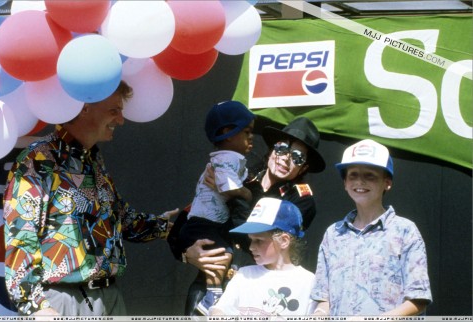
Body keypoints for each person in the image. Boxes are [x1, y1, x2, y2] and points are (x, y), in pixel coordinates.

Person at [3, 80, 178, 316]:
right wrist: (37, 308)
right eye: (114, 110)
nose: (121, 120)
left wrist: (168, 225)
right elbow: (21, 238)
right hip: (63, 302)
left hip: (110, 298)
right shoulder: (38, 160)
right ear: (85, 107)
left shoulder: (93, 160)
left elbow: (121, 219)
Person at [173, 117, 326, 315]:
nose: (286, 158)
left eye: (297, 157)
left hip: (256, 295)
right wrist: (186, 255)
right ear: (272, 149)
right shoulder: (238, 172)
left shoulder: (300, 200)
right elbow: (189, 221)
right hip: (209, 285)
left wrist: (236, 194)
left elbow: (256, 240)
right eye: (281, 148)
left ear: (304, 168)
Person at [310, 139, 432, 316]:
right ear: (345, 183)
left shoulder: (405, 230)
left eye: (370, 175)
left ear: (387, 182)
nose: (360, 181)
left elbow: (418, 299)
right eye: (353, 175)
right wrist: (319, 314)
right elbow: (323, 297)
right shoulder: (333, 234)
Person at [177, 100, 255, 315]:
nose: (251, 138)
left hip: (249, 293)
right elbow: (228, 189)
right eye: (246, 131)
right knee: (221, 256)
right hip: (205, 225)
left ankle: (214, 294)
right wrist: (245, 193)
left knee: (225, 254)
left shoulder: (238, 163)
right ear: (228, 133)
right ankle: (212, 295)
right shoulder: (226, 159)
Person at [209, 197, 315, 316]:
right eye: (251, 240)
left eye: (258, 241)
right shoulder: (243, 275)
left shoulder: (309, 282)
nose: (251, 247)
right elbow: (220, 310)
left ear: (284, 241)